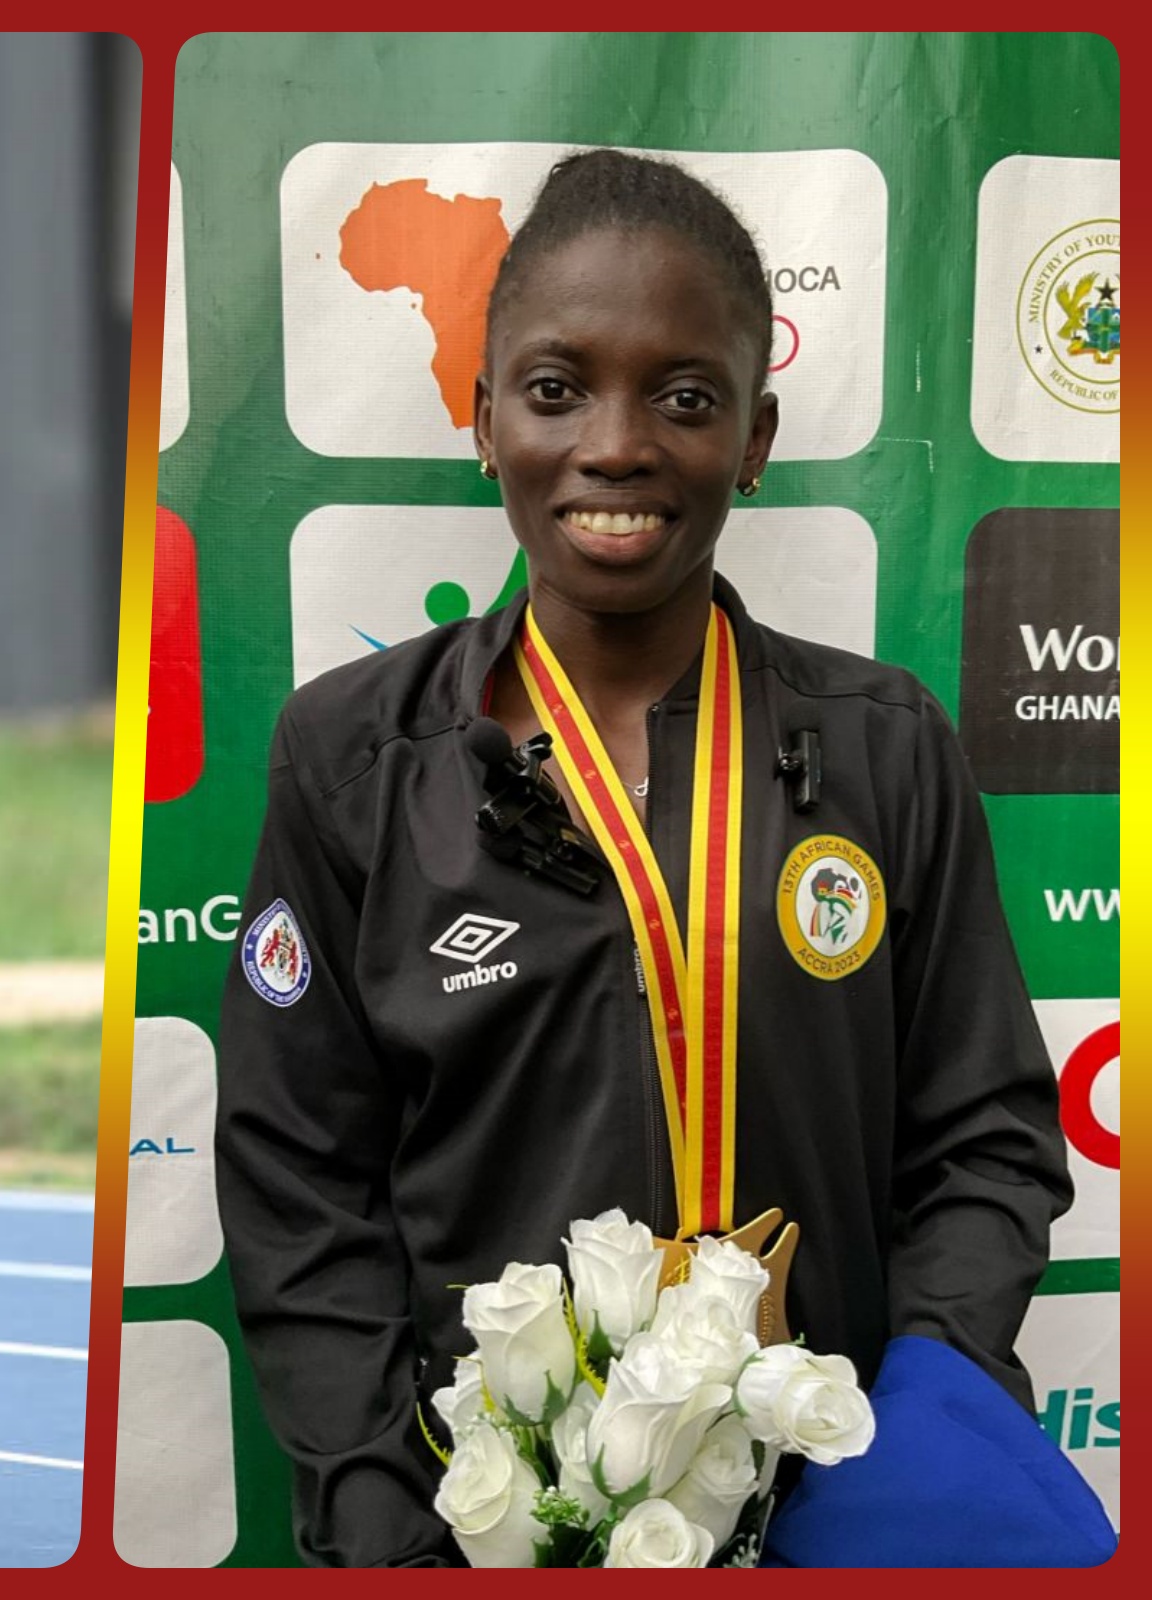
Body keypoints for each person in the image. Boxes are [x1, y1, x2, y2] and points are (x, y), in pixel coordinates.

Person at [213, 149, 1073, 1567]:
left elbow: (984, 1138)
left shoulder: (882, 746)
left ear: (755, 436)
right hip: (486, 1520)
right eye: (556, 391)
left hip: (830, 1496)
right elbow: (300, 1176)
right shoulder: (356, 759)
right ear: (484, 419)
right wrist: (386, 1502)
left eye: (684, 398)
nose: (615, 445)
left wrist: (922, 1422)